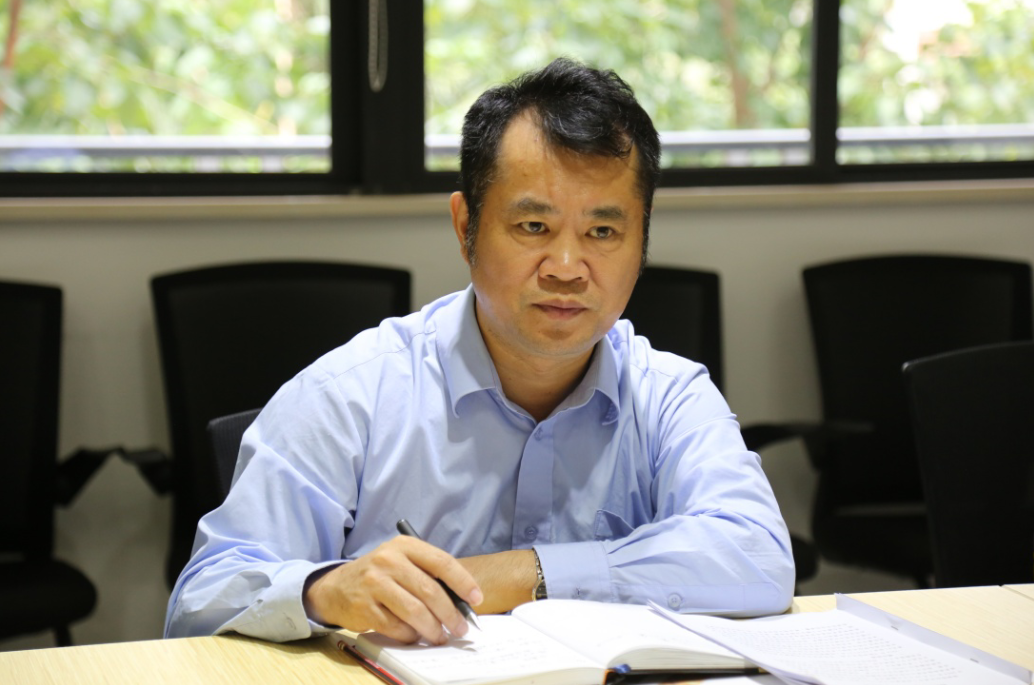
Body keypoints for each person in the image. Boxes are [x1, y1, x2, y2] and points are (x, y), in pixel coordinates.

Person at [164, 57, 794, 645]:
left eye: (602, 231)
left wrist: (518, 575)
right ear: (466, 226)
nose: (567, 267)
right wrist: (323, 590)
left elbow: (759, 556)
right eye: (533, 227)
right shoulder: (351, 394)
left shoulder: (670, 394)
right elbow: (198, 603)